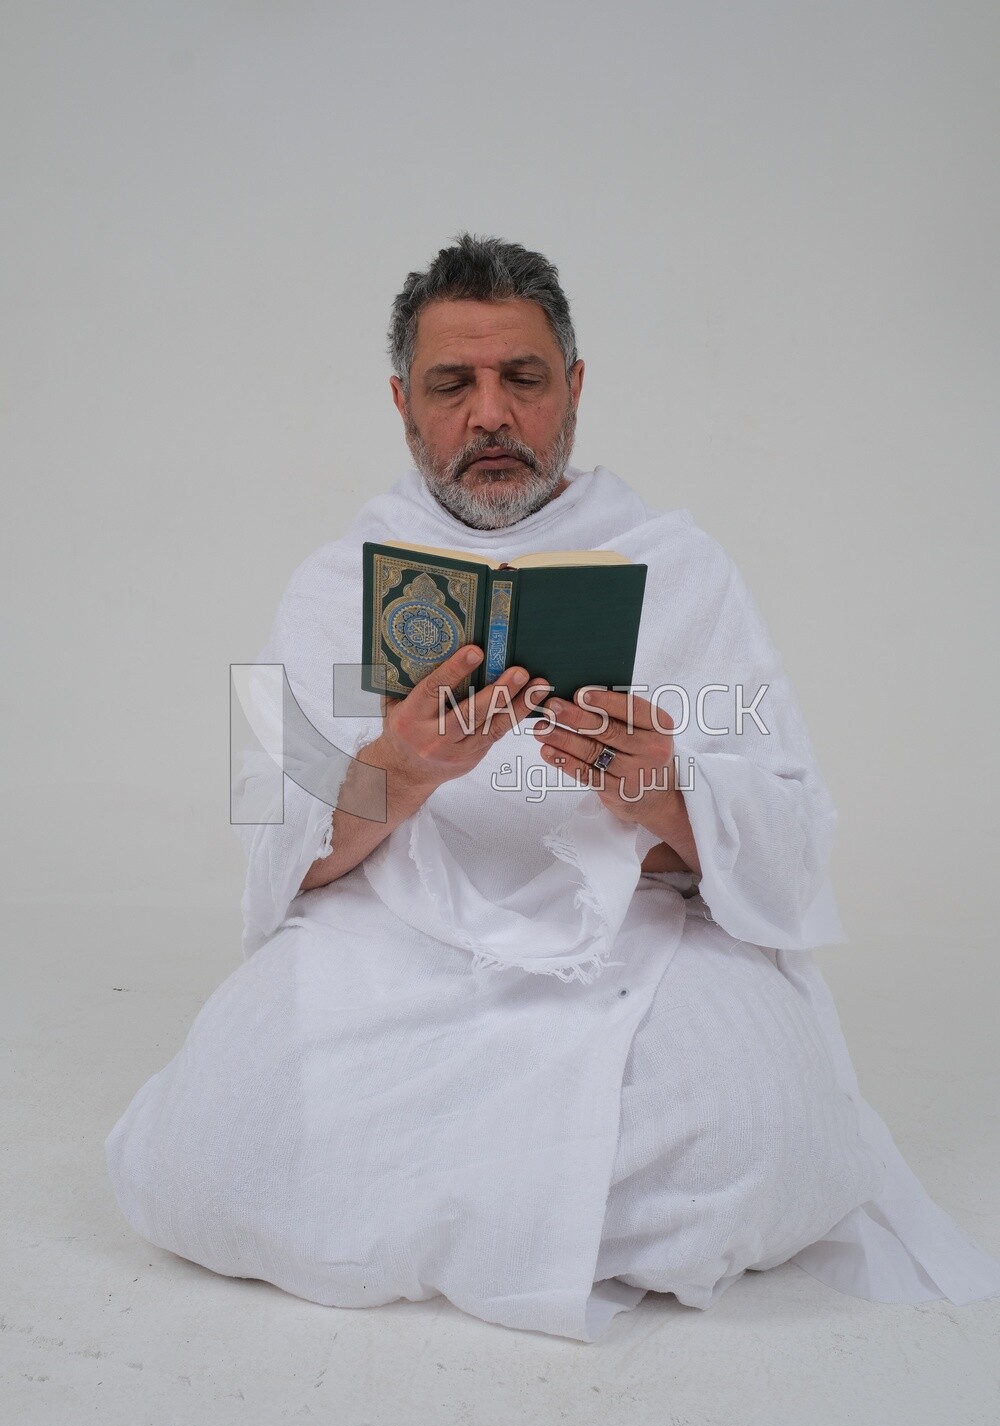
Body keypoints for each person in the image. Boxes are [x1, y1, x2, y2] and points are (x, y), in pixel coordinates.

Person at [104, 235, 1000, 1341]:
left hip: (634, 950)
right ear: (402, 403)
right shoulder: (332, 583)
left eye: (521, 378)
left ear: (572, 389)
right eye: (453, 384)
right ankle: (544, 1196)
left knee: (761, 1135)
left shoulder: (682, 568)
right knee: (208, 1147)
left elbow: (791, 822)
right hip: (389, 944)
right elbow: (276, 854)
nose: (489, 413)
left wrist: (667, 795)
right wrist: (397, 772)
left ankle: (407, 1186)